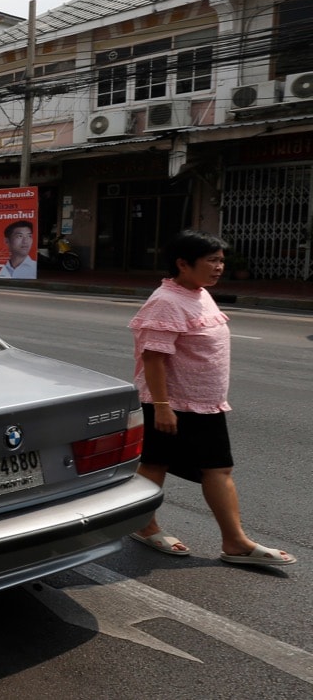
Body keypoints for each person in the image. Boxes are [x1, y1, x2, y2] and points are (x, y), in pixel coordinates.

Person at [127, 229, 296, 566]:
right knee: (169, 466)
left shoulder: (199, 293)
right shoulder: (166, 301)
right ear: (183, 264)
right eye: (212, 260)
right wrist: (162, 407)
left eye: (221, 260)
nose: (220, 267)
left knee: (208, 467)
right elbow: (153, 358)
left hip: (203, 404)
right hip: (172, 404)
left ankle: (231, 541)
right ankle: (152, 528)